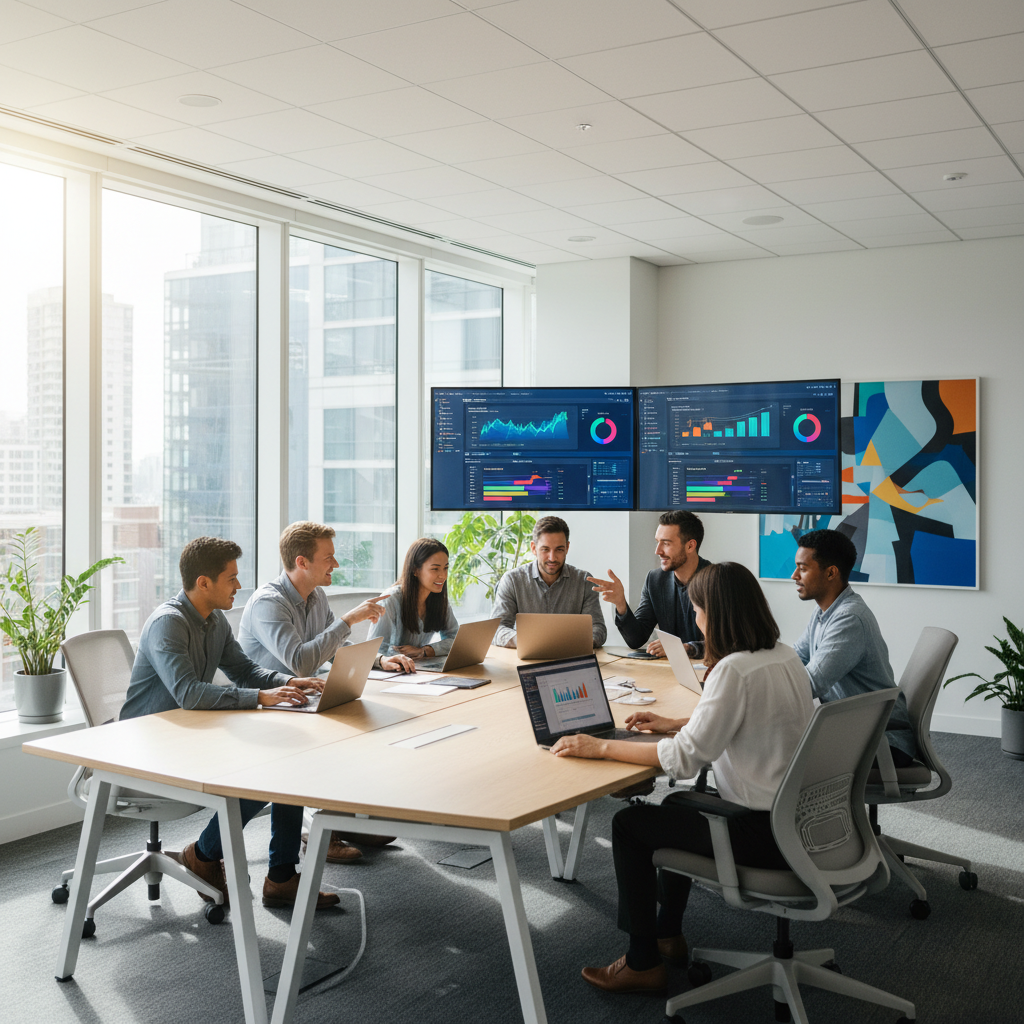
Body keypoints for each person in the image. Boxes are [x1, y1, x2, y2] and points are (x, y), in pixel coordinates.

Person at [551, 562, 813, 994]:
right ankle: (667, 934)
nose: (695, 619)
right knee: (674, 807)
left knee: (629, 825)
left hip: (759, 832)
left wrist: (599, 747)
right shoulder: (782, 655)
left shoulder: (732, 669)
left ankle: (641, 963)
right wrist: (674, 721)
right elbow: (749, 718)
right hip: (793, 818)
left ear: (718, 612)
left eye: (697, 610)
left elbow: (684, 761)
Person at [119, 536, 340, 911]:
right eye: (232, 578)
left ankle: (282, 877)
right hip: (148, 748)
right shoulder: (168, 624)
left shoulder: (214, 619)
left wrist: (286, 682)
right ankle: (203, 854)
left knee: (289, 761)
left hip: (191, 734)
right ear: (203, 583)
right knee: (262, 775)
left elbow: (243, 670)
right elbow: (189, 693)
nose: (240, 586)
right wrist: (258, 698)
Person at [238, 520, 413, 863]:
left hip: (301, 698)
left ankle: (343, 819)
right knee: (343, 730)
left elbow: (334, 648)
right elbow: (301, 663)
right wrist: (348, 619)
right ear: (302, 562)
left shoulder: (315, 596)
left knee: (370, 716)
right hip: (264, 706)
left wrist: (380, 660)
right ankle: (325, 828)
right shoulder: (268, 603)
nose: (335, 564)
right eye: (328, 557)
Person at [791, 528, 917, 764]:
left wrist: (758, 688)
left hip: (881, 742)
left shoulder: (849, 619)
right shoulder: (823, 612)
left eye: (803, 568)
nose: (794, 576)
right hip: (854, 728)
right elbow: (794, 658)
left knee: (777, 751)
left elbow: (810, 684)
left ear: (831, 573)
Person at [589, 510, 710, 659]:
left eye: (666, 543)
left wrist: (685, 648)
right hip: (670, 671)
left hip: (710, 671)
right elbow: (636, 639)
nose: (657, 551)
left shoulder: (718, 581)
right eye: (657, 542)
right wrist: (621, 604)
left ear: (690, 546)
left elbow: (731, 643)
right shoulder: (655, 580)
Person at [490, 516, 607, 650]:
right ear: (533, 548)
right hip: (526, 659)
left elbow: (598, 629)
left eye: (559, 549)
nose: (552, 557)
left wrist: (574, 643)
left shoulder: (584, 581)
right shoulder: (512, 580)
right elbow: (496, 629)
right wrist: (529, 641)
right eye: (545, 549)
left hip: (570, 658)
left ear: (567, 548)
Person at [369, 538, 459, 661]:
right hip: (392, 671)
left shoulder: (438, 599)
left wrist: (426, 651)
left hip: (418, 668)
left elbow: (456, 639)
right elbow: (373, 651)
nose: (443, 575)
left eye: (446, 568)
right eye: (435, 569)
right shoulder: (391, 600)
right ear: (415, 570)